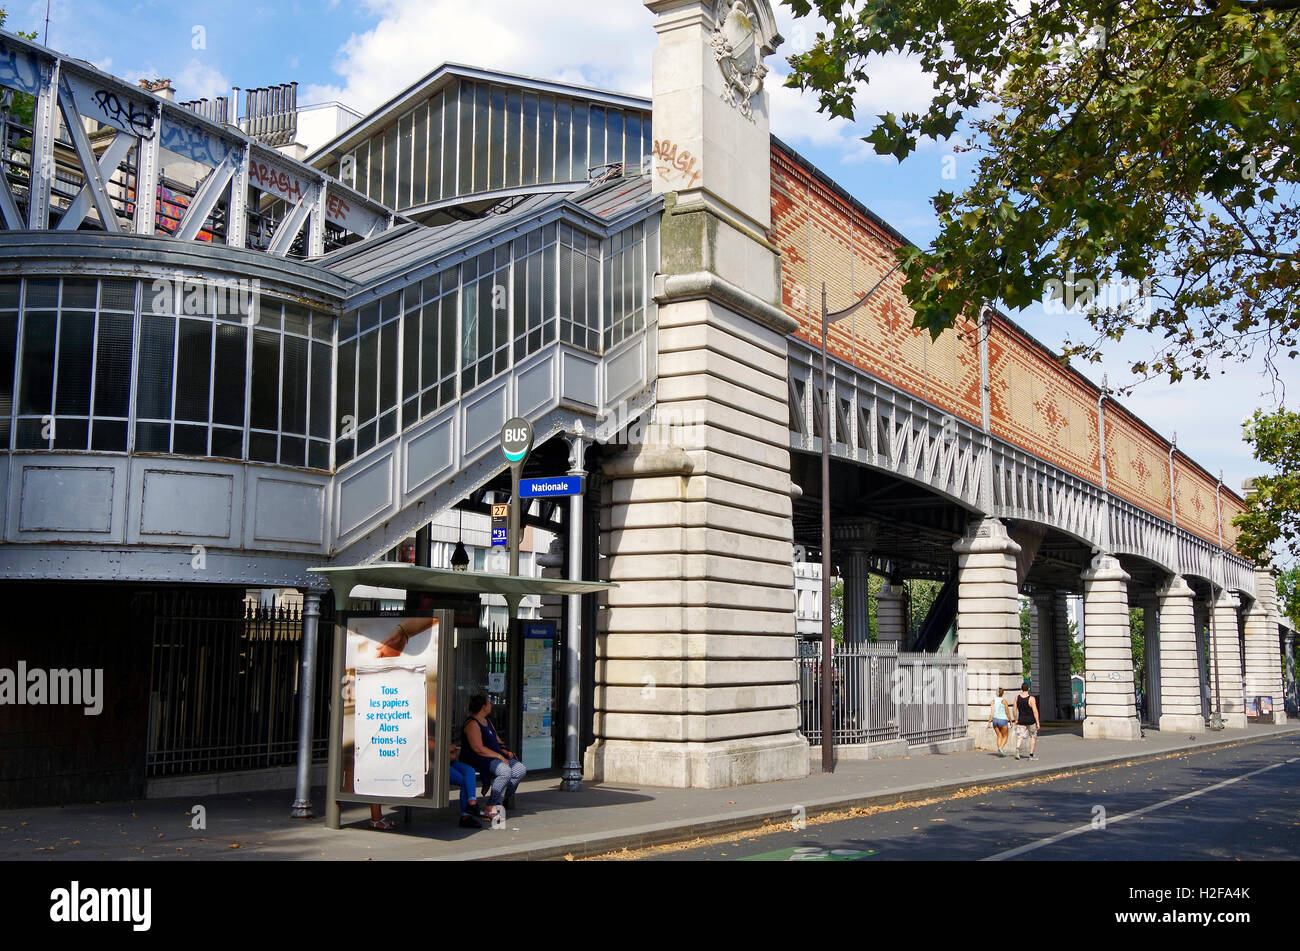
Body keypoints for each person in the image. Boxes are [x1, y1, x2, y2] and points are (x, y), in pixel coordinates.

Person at [459, 695, 526, 812]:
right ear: (484, 707)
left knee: (520, 769)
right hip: (481, 758)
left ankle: (502, 797)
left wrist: (506, 751)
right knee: (505, 772)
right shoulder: (472, 723)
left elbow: (497, 740)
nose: (491, 705)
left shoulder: (487, 721)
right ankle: (491, 805)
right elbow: (478, 748)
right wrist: (499, 756)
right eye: (489, 703)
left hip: (496, 756)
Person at [448, 741, 483, 829]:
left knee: (470, 770)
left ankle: (472, 801)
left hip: (451, 762)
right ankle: (466, 815)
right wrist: (447, 749)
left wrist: (451, 748)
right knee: (464, 781)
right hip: (438, 763)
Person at [1013, 680, 1041, 761]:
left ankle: (1017, 749)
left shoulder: (1017, 698)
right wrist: (1038, 722)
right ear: (1028, 689)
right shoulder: (1031, 699)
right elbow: (1035, 711)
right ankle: (1031, 755)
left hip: (1021, 720)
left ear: (1021, 689)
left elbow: (1014, 710)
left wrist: (1016, 719)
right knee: (1033, 736)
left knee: (1020, 736)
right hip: (1031, 720)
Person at [988, 687, 1011, 756]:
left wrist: (989, 721)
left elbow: (992, 712)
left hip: (995, 720)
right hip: (1003, 720)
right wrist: (1010, 721)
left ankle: (1000, 752)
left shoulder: (993, 701)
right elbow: (1007, 712)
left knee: (999, 736)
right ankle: (1001, 748)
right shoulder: (1004, 701)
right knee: (1005, 736)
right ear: (1003, 693)